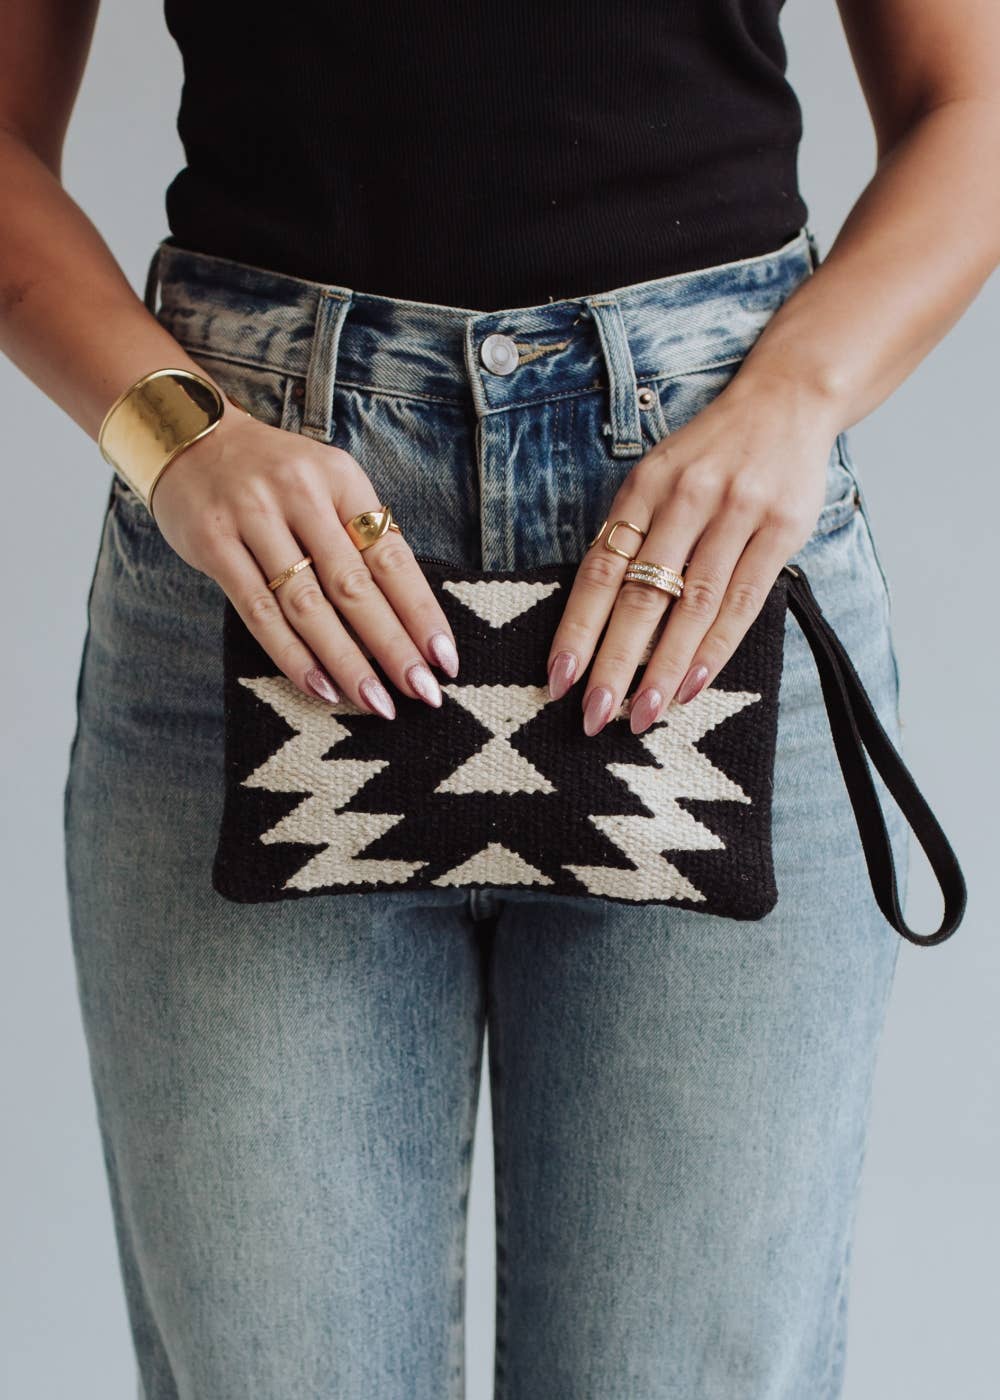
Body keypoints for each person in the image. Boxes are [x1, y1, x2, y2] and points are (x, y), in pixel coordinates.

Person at [1, 2, 993, 1396]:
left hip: (699, 557)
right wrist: (180, 439)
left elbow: (975, 106)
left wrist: (797, 398)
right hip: (268, 571)